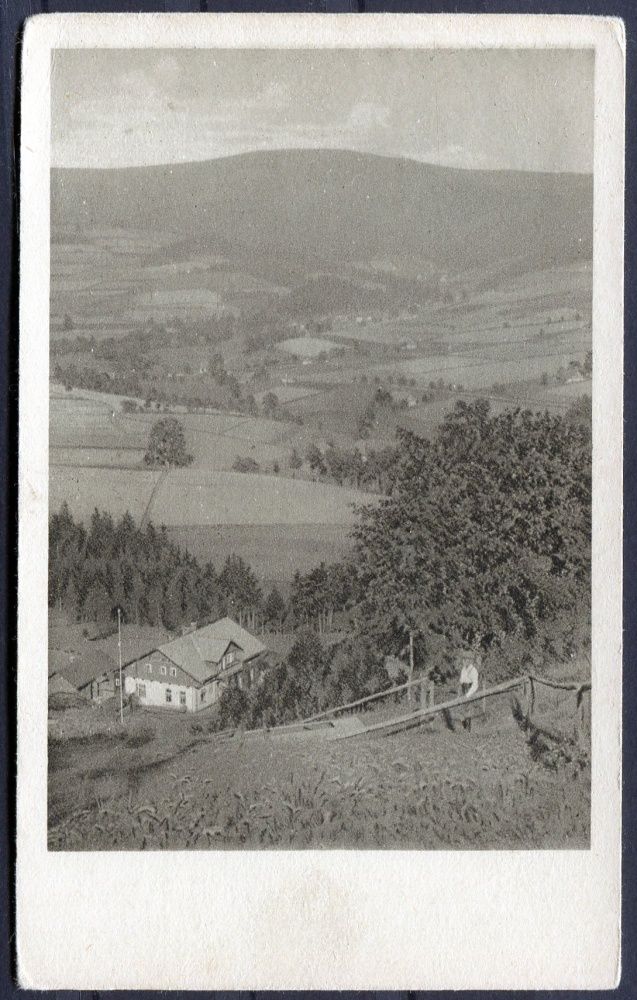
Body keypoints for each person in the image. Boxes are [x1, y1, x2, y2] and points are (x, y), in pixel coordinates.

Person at [458, 653, 480, 731]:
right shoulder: (463, 669)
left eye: (467, 659)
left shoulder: (473, 670)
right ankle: (464, 727)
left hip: (469, 690)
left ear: (470, 661)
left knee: (468, 710)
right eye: (464, 659)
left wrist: (468, 694)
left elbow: (475, 685)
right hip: (463, 689)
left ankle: (468, 730)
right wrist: (460, 692)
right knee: (460, 710)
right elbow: (461, 680)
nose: (465, 661)